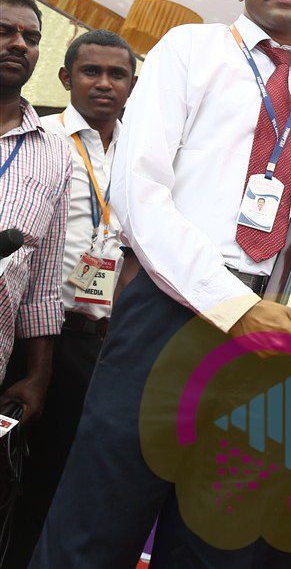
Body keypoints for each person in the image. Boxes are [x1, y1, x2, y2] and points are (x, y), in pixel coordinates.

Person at [33, 0, 291, 566]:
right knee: (97, 521)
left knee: (221, 543)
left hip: (278, 333)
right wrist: (233, 305)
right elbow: (138, 192)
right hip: (172, 312)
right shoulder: (188, 51)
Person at [2, 29, 135, 568]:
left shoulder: (145, 153)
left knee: (64, 478)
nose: (104, 84)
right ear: (65, 77)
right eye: (90, 72)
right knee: (14, 476)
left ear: (132, 85)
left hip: (102, 345)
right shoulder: (43, 141)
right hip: (34, 336)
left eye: (117, 74)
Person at [0, 0, 71, 435]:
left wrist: (38, 377)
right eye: (4, 31)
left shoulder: (54, 153)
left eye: (31, 37)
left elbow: (43, 282)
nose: (19, 43)